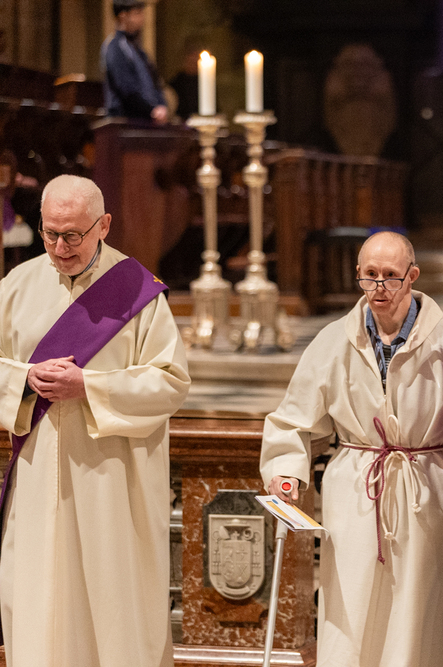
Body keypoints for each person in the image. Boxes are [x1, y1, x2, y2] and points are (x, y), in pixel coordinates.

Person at [0, 174, 190, 666]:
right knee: (39, 598)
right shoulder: (16, 287)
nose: (60, 248)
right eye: (50, 234)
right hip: (38, 476)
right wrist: (25, 378)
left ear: (103, 225)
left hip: (112, 481)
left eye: (73, 235)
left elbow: (170, 382)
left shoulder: (136, 291)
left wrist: (89, 386)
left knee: (112, 603)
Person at [260, 231, 443, 667]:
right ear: (357, 274)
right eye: (370, 275)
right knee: (351, 612)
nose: (379, 287)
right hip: (357, 489)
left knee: (420, 612)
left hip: (428, 489)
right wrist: (286, 470)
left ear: (412, 276)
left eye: (390, 276)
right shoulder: (332, 341)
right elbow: (293, 420)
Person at [101, 0, 169, 124]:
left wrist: (161, 105)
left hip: (144, 121)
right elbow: (126, 88)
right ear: (123, 16)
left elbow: (155, 82)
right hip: (124, 124)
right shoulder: (114, 47)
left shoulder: (138, 50)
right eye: (137, 13)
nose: (142, 18)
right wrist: (151, 110)